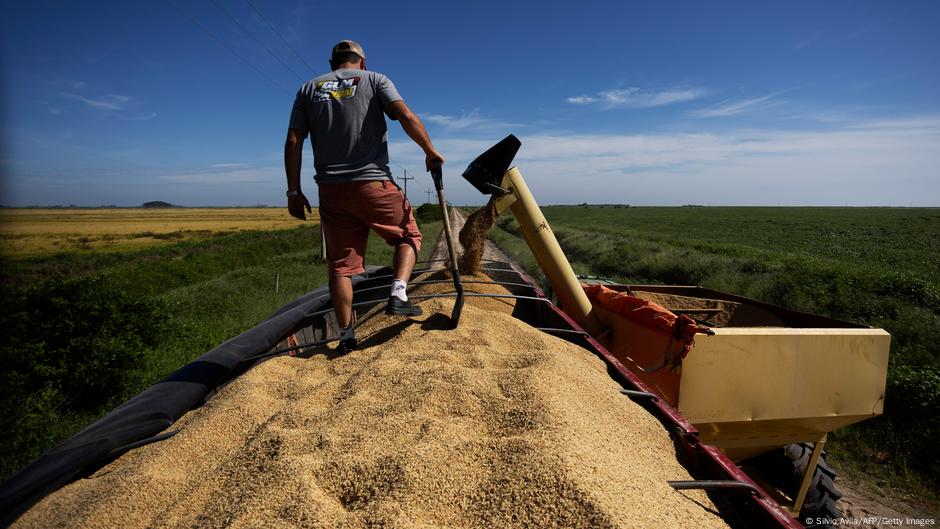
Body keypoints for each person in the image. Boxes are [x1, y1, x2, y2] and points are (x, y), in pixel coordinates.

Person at [284, 40, 444, 354]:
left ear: (333, 61)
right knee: (407, 236)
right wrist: (429, 150)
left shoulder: (307, 89)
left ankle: (345, 337)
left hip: (331, 191)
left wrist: (293, 190)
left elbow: (293, 140)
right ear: (363, 62)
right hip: (373, 184)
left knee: (341, 268)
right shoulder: (375, 80)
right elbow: (406, 116)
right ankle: (398, 294)